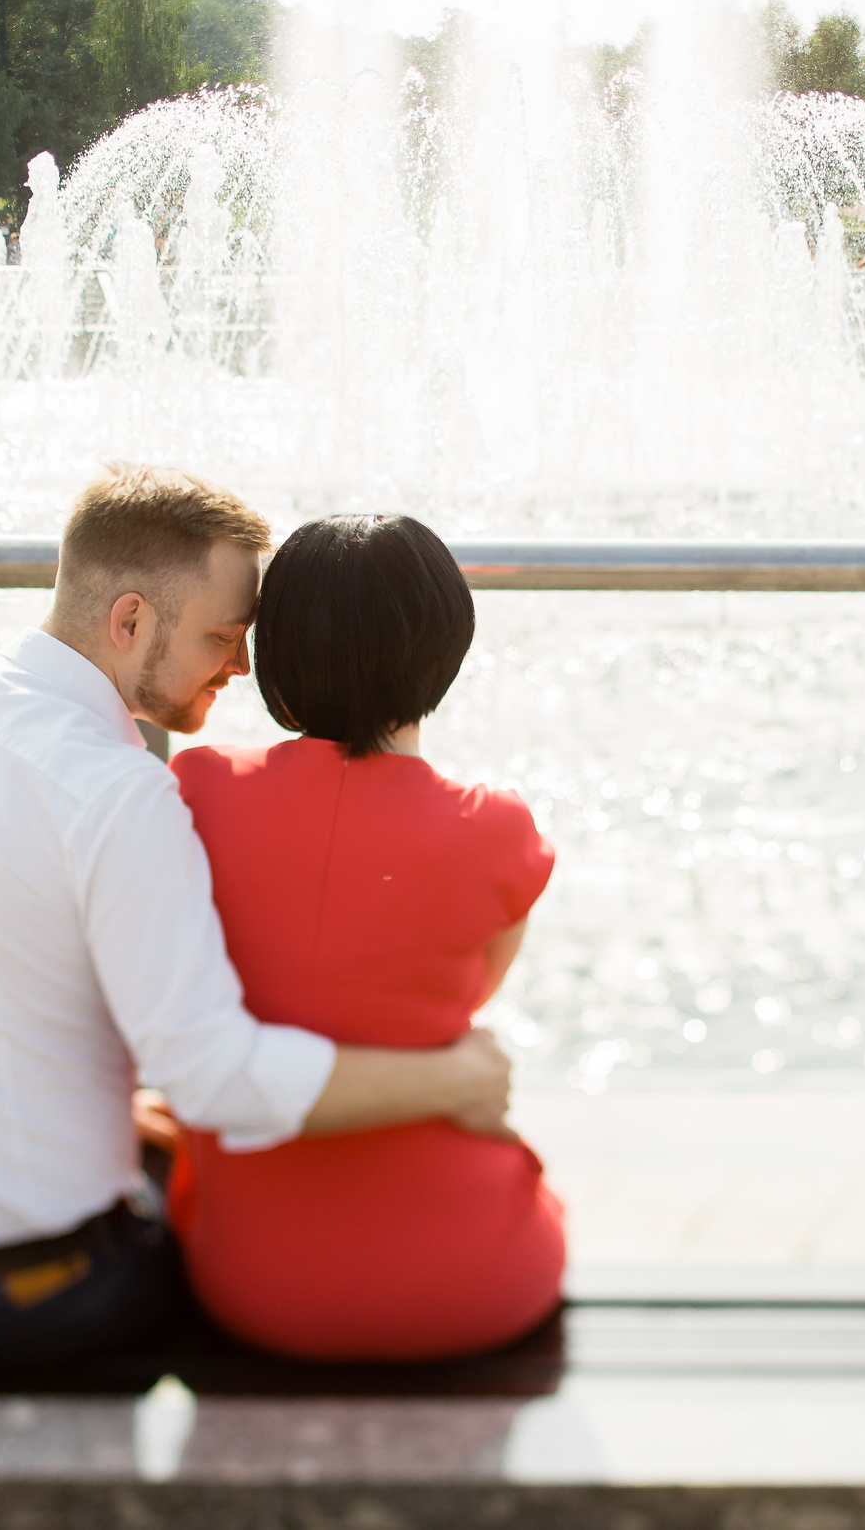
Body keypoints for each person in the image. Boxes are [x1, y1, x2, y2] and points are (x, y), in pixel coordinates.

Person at [0, 465, 515, 1368]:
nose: (243, 666)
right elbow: (216, 1081)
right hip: (32, 1296)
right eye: (224, 636)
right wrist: (456, 1079)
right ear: (131, 620)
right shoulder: (119, 794)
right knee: (243, 1226)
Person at [168, 514, 565, 1361]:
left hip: (254, 1283)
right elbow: (467, 997)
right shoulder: (496, 830)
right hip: (477, 1279)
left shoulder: (196, 791)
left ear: (272, 656)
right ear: (445, 651)